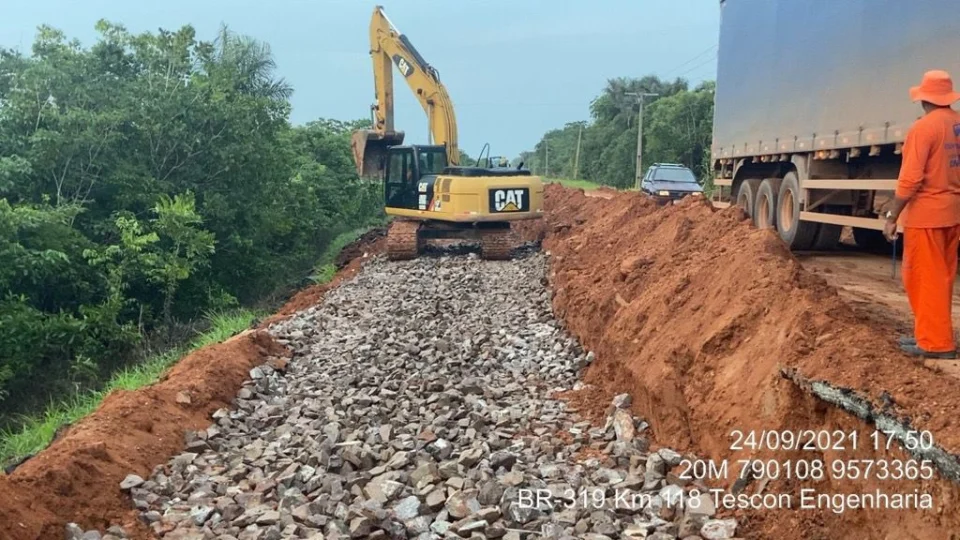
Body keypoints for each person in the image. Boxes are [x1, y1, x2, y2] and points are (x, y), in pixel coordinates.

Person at [883, 70, 960, 359]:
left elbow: (910, 179)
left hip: (926, 216)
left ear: (923, 98)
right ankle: (928, 335)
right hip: (953, 213)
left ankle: (935, 343)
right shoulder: (956, 124)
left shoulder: (923, 128)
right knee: (941, 278)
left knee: (923, 278)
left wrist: (892, 215)